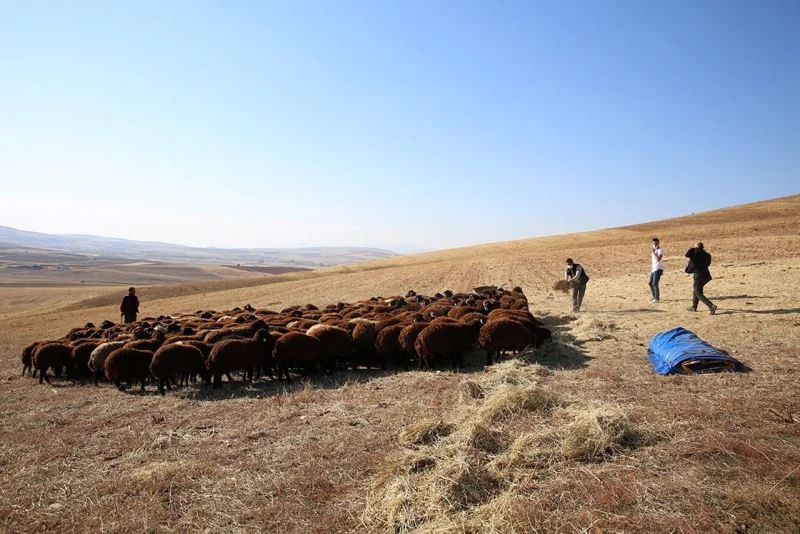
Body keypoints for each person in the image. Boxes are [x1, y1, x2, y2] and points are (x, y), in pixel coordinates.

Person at [684, 243, 717, 314]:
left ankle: (711, 306)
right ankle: (694, 307)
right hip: (706, 276)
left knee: (697, 292)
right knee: (697, 290)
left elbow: (686, 255)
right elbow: (708, 264)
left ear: (696, 247)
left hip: (698, 275)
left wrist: (692, 248)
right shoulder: (707, 255)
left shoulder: (695, 254)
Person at [649, 237, 664, 303]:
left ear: (658, 243)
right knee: (650, 283)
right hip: (653, 269)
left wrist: (654, 252)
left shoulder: (660, 250)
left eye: (656, 243)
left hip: (658, 269)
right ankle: (654, 296)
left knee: (655, 283)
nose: (654, 244)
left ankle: (657, 299)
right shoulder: (654, 250)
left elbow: (658, 259)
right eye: (653, 243)